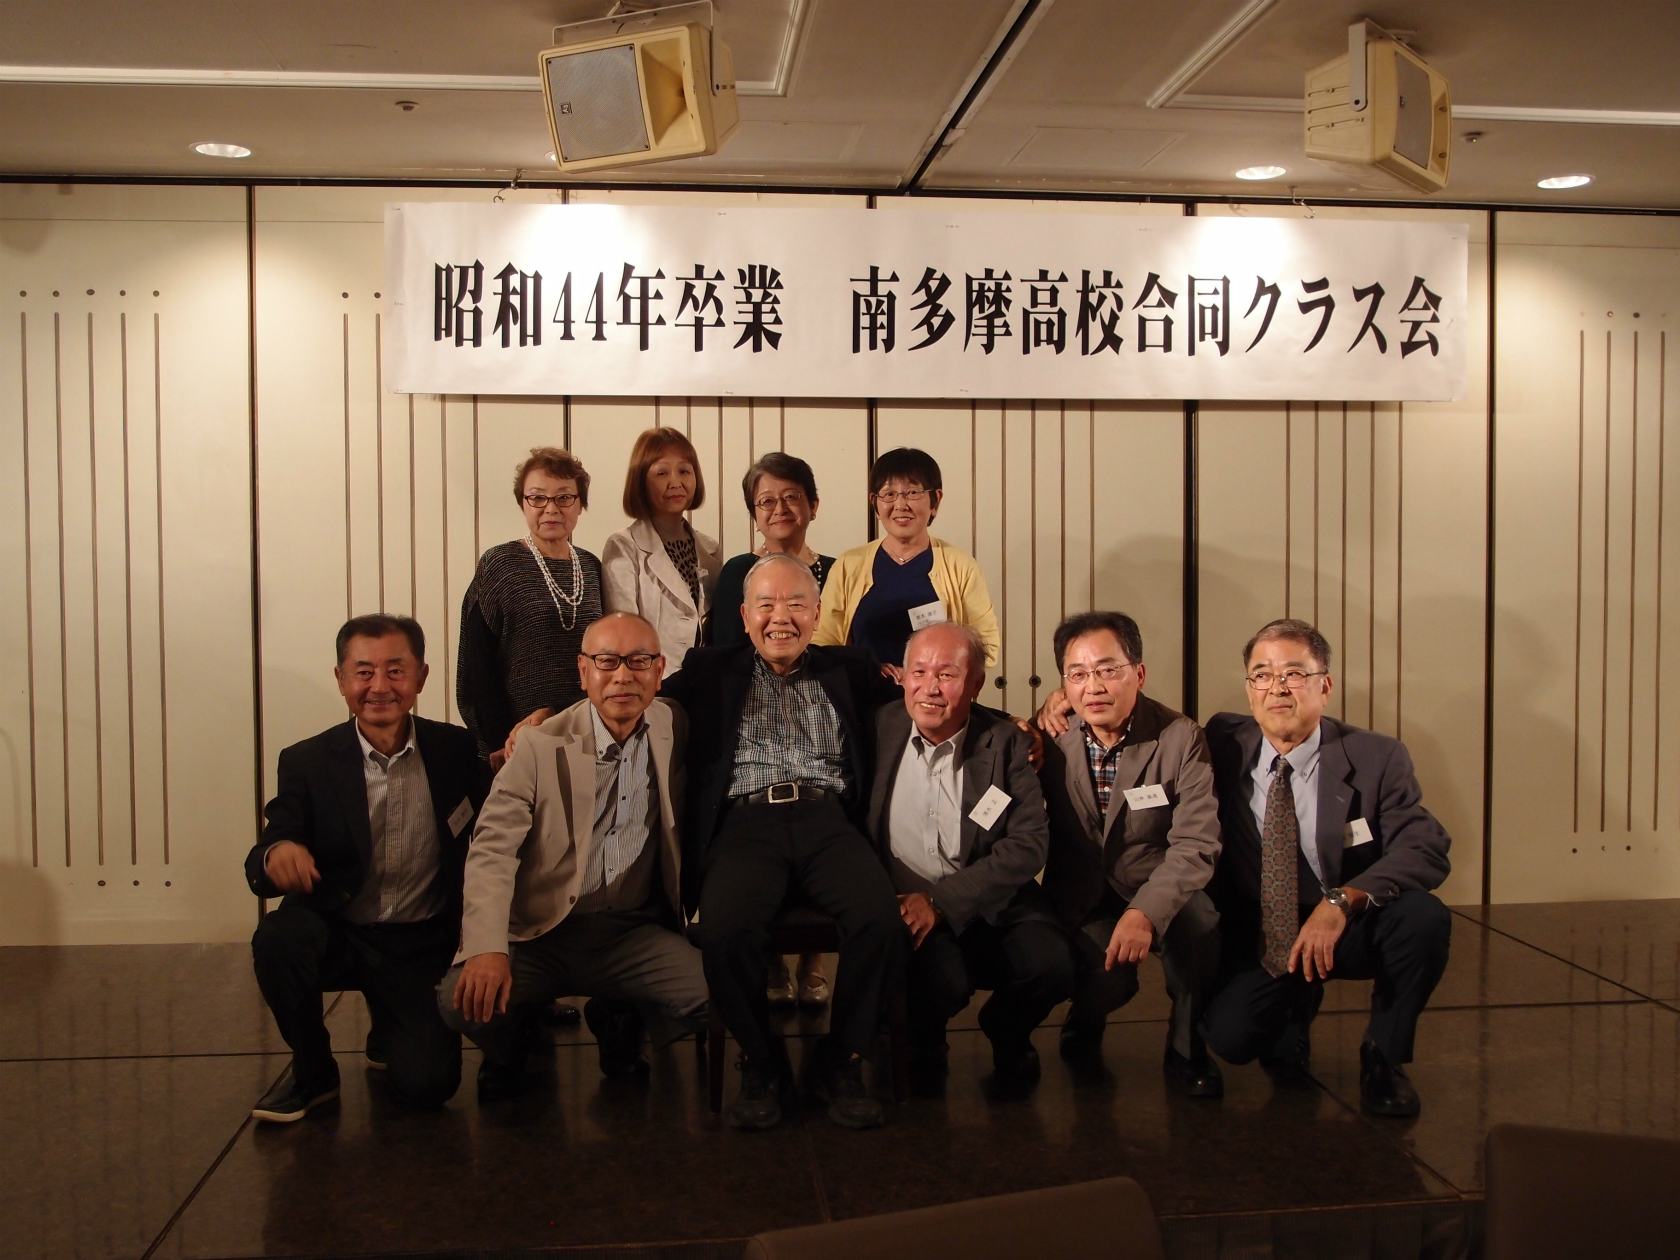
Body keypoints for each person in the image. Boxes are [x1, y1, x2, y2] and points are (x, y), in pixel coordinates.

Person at [662, 553, 904, 1132]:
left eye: (796, 604)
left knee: (879, 919)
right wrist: (545, 721)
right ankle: (760, 1062)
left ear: (817, 613)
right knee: (725, 929)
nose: (781, 618)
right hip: (747, 823)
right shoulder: (707, 669)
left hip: (828, 820)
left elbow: (926, 697)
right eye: (766, 605)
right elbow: (632, 693)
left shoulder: (851, 668)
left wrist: (1015, 724)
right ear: (744, 616)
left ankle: (841, 1059)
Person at [438, 612, 708, 1099]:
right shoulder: (538, 745)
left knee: (720, 994)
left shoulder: (675, 724)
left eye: (639, 661)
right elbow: (491, 850)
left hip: (632, 931)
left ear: (659, 670)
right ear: (583, 671)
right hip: (544, 932)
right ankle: (511, 1041)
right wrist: (486, 946)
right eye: (607, 661)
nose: (623, 675)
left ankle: (619, 1013)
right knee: (460, 1001)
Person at [1202, 618, 1453, 1117]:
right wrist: (1054, 708)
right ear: (1249, 689)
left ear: (1325, 686)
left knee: (1423, 918)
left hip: (1345, 920)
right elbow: (1138, 719)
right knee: (1230, 1038)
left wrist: (1342, 901)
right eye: (1262, 674)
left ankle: (1383, 1054)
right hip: (1264, 927)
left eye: (1294, 673)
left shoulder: (1376, 756)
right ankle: (1294, 1005)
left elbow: (1425, 847)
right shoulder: (1223, 741)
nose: (1277, 687)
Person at [244, 614, 490, 1122]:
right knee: (278, 940)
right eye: (363, 672)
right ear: (341, 679)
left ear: (421, 677)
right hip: (339, 930)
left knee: (427, 1087)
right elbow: (271, 842)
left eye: (396, 671)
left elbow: (495, 832)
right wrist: (277, 853)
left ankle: (391, 1027)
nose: (380, 686)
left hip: (420, 941)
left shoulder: (458, 751)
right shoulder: (309, 760)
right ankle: (313, 1069)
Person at [866, 621, 1067, 1095]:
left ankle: (1007, 1027)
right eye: (919, 672)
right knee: (939, 984)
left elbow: (1029, 842)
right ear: (903, 677)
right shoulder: (876, 729)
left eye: (947, 674)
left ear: (975, 684)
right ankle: (921, 1038)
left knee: (1053, 964)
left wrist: (941, 901)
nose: (930, 688)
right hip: (906, 905)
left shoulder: (1006, 742)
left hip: (990, 899)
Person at [1036, 612, 1224, 1097]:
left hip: (1156, 883)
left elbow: (1197, 843)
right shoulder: (1051, 735)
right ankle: (1085, 1020)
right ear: (1063, 685)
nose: (1093, 686)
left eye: (1107, 669)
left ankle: (1187, 1046)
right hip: (1085, 893)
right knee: (1109, 980)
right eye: (1078, 674)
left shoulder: (1181, 738)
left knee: (1200, 926)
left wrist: (1145, 911)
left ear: (1138, 673)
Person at [712, 451, 836, 1009]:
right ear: (754, 513)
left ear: (813, 504)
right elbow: (723, 654)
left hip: (823, 726)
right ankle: (769, 961)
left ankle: (813, 960)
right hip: (758, 725)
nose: (779, 508)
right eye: (766, 501)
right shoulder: (738, 572)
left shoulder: (839, 569)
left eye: (791, 497)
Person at [457, 447, 603, 770]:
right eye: (537, 498)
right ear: (523, 503)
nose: (551, 508)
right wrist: (499, 741)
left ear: (580, 504)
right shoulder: (499, 564)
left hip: (585, 732)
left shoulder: (592, 567)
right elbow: (478, 664)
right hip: (516, 740)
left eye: (564, 497)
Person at [814, 447, 1000, 674]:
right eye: (889, 494)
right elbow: (822, 643)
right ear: (875, 503)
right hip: (863, 692)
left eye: (912, 492)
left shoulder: (961, 566)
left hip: (935, 693)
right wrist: (867, 669)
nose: (900, 504)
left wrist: (925, 674)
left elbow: (987, 646)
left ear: (935, 501)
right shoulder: (848, 565)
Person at [601, 427, 722, 675]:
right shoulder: (623, 546)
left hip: (704, 683)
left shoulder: (710, 548)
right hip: (652, 682)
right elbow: (624, 634)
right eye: (662, 473)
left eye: (684, 471)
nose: (675, 482)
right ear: (641, 481)